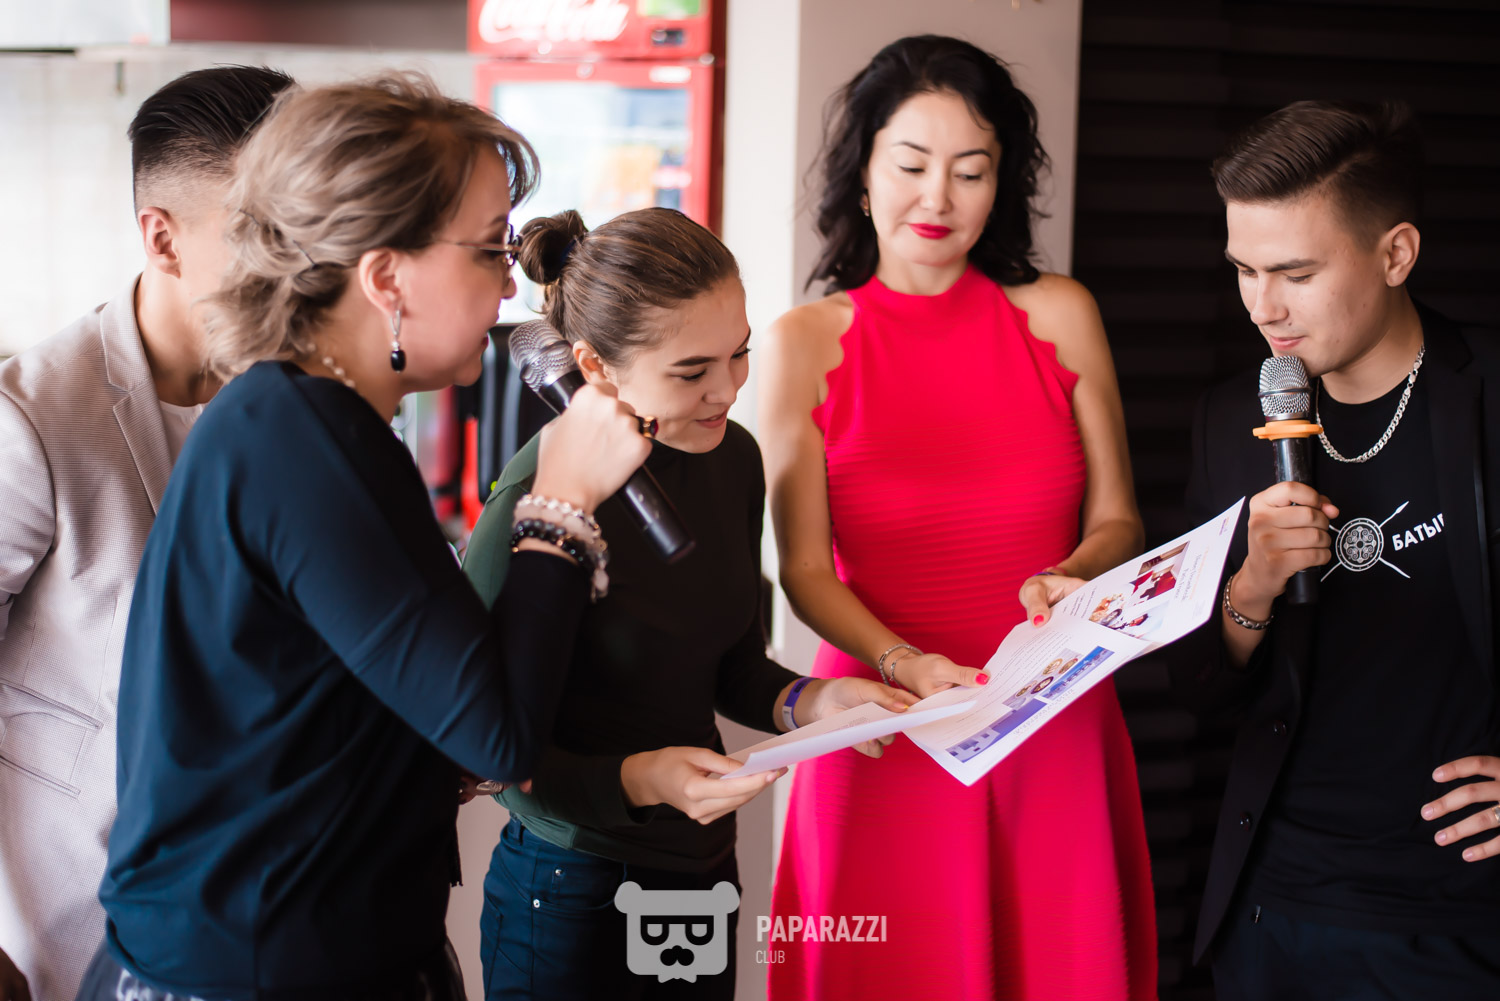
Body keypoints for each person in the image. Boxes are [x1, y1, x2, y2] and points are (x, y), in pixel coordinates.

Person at [79, 72, 651, 1001]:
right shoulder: (301, 440)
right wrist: (562, 501)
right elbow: (496, 734)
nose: (511, 283)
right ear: (385, 278)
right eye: (490, 251)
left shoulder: (310, 420)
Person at [758, 34, 1156, 1001]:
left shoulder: (1060, 312)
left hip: (1047, 708)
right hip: (884, 721)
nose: (937, 197)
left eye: (970, 171)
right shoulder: (803, 342)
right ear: (862, 175)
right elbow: (803, 569)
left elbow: (1119, 519)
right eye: (911, 164)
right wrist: (902, 664)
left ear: (1000, 183)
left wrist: (1074, 574)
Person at [463, 206, 914, 1001]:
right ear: (594, 366)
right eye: (691, 370)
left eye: (740, 354)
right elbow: (489, 756)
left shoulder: (732, 456)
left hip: (699, 868)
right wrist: (642, 779)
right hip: (570, 888)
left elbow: (731, 663)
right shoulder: (536, 500)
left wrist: (814, 701)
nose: (728, 389)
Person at [1165, 99, 1500, 1000]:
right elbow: (1199, 686)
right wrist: (1253, 584)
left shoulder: (1489, 395)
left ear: (1396, 254)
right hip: (1273, 908)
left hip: (1457, 918)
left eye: (1296, 273)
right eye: (1244, 270)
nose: (1263, 307)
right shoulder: (1231, 420)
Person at [0, 65, 293, 1001]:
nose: (298, 265)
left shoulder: (298, 398)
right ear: (162, 239)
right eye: (263, 234)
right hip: (72, 902)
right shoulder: (34, 416)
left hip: (255, 906)